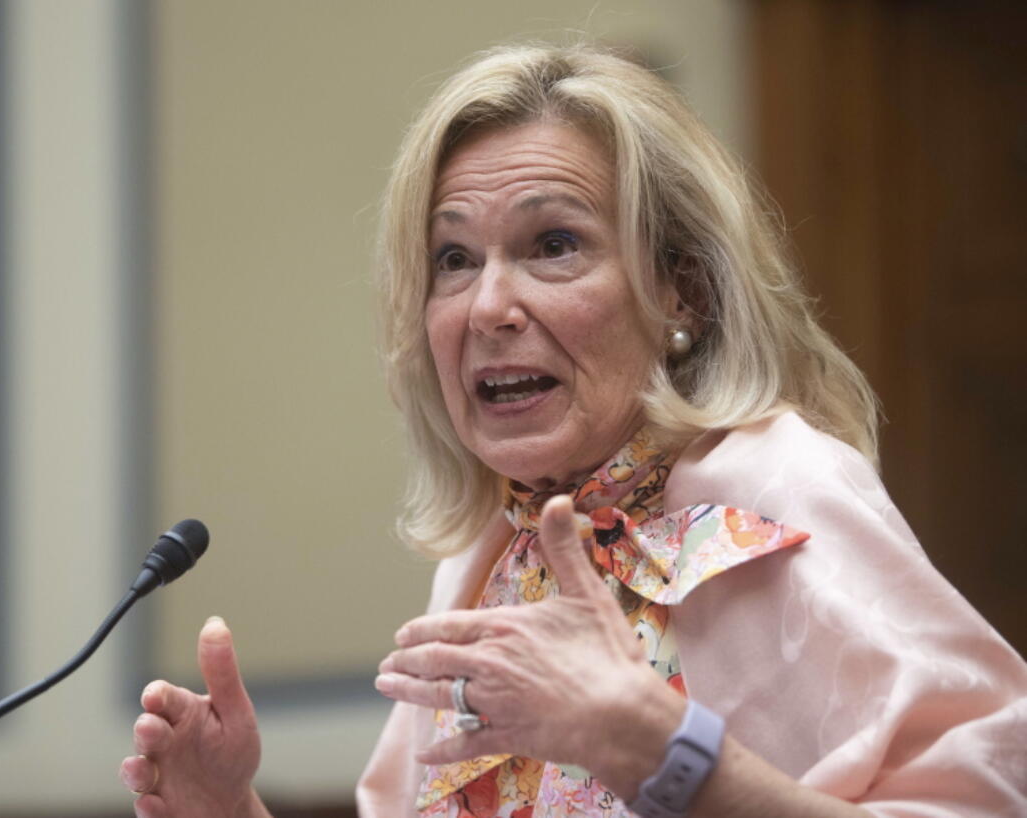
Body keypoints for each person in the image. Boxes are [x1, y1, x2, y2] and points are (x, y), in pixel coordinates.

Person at [118, 44, 1027, 817]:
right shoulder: (487, 552)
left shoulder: (779, 488)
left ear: (684, 293)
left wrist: (662, 751)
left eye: (554, 244)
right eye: (454, 258)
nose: (488, 305)